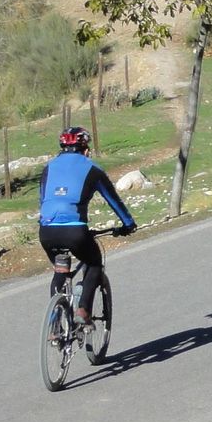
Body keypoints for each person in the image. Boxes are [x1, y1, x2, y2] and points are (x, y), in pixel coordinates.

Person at [38, 127, 136, 325]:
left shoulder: (48, 167)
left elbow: (44, 200)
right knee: (93, 264)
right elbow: (113, 200)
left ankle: (56, 323)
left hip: (47, 231)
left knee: (60, 270)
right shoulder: (92, 169)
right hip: (75, 231)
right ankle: (83, 310)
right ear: (85, 148)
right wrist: (128, 224)